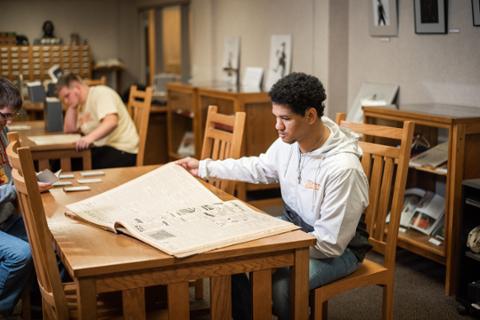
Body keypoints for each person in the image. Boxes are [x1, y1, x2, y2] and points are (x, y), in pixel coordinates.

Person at [176, 72, 371, 319]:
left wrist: (274, 249)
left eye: (285, 119)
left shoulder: (343, 169)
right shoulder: (290, 141)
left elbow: (331, 243)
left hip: (338, 248)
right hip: (294, 228)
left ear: (310, 116)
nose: (277, 126)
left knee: (283, 288)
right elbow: (259, 167)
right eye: (275, 117)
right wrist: (204, 167)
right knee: (228, 253)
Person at [0, 78, 51, 316]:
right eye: (4, 116)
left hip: (5, 217)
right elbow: (9, 186)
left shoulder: (2, 132)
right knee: (21, 254)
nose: (8, 123)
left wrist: (30, 179)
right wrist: (20, 187)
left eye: (12, 116)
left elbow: (9, 176)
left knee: (49, 240)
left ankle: (37, 302)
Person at [57, 73, 139, 169]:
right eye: (63, 99)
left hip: (122, 150)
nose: (66, 101)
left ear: (77, 88)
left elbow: (112, 122)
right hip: (104, 147)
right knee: (60, 162)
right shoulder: (79, 104)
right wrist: (72, 107)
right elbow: (69, 130)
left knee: (66, 165)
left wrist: (88, 138)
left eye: (67, 96)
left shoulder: (100, 93)